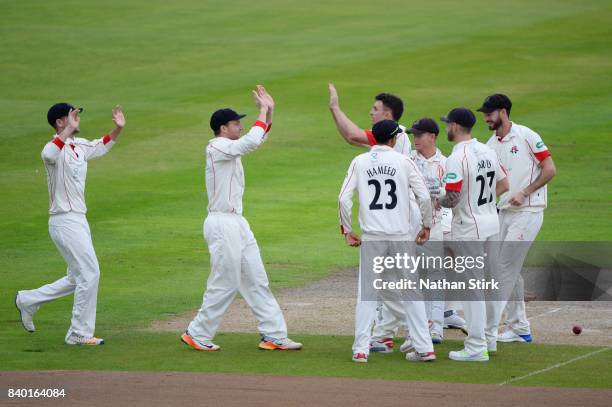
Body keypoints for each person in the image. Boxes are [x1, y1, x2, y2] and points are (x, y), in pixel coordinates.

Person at [181, 86, 302, 352]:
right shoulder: (217, 146)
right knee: (225, 280)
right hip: (221, 222)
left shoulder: (230, 146)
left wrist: (269, 112)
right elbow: (249, 142)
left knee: (256, 278)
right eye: (236, 123)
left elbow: (256, 139)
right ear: (223, 128)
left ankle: (274, 334)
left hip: (237, 222)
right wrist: (261, 111)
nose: (240, 126)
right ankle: (198, 332)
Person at [15, 103, 126, 345]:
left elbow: (101, 145)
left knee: (77, 278)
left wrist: (118, 128)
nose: (77, 119)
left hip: (79, 219)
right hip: (64, 220)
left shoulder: (78, 146)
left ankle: (27, 300)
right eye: (71, 116)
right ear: (60, 123)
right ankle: (78, 333)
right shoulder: (55, 149)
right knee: (90, 273)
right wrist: (66, 132)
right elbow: (47, 155)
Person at [338, 119, 435, 363]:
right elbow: (423, 196)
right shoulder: (404, 161)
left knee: (367, 295)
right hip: (401, 237)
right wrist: (427, 225)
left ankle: (361, 349)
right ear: (393, 139)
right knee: (412, 292)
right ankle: (424, 348)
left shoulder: (359, 162)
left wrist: (347, 230)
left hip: (372, 238)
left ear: (375, 139)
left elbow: (343, 199)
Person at [478, 94, 556, 352]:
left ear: (503, 111)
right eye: (484, 113)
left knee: (504, 268)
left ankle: (487, 332)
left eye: (490, 113)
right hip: (503, 213)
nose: (486, 117)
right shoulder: (490, 144)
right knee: (501, 267)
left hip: (529, 211)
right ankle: (519, 327)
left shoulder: (526, 135)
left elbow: (550, 169)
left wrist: (526, 191)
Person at [438, 107, 509, 362]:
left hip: (469, 227)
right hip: (492, 222)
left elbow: (453, 197)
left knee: (472, 287)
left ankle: (476, 347)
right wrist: (485, 204)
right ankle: (489, 339)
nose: (446, 128)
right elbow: (504, 184)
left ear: (456, 127)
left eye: (448, 124)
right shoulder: (487, 151)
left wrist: (437, 201)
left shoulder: (457, 157)